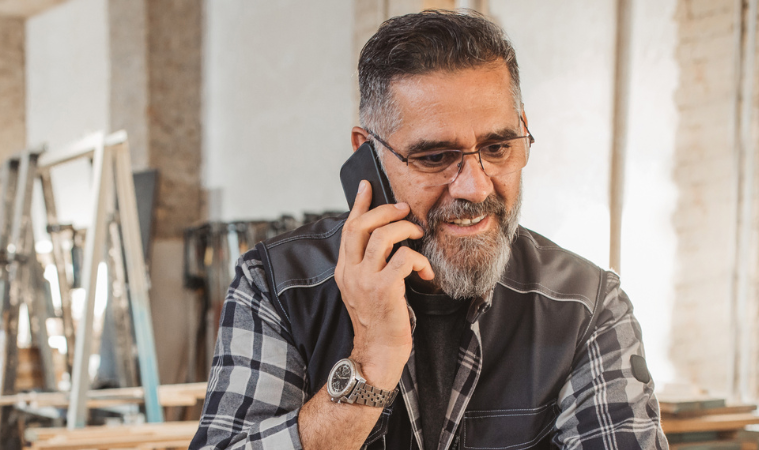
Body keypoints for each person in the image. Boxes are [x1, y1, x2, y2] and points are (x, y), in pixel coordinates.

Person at [192, 9, 665, 450]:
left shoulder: (586, 305)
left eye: (497, 147)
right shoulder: (278, 286)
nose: (475, 187)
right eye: (435, 157)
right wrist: (370, 364)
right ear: (367, 156)